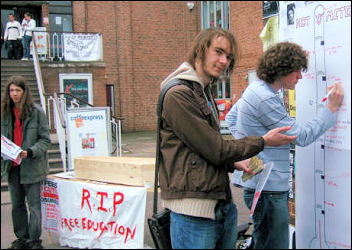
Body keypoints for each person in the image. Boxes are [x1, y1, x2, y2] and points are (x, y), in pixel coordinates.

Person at [158, 28, 297, 249]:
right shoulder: (179, 94)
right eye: (218, 52)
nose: (224, 61)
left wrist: (234, 163)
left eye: (229, 56)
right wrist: (263, 141)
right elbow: (216, 149)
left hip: (219, 206)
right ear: (199, 50)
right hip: (193, 213)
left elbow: (199, 149)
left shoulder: (202, 91)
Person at [225, 42, 344, 249]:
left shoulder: (256, 89)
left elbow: (232, 119)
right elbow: (302, 136)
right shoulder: (265, 98)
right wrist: (330, 109)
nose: (300, 76)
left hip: (259, 183)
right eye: (296, 71)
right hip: (268, 188)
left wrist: (253, 148)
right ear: (282, 69)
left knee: (264, 242)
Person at [1, 75, 51, 249]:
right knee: (17, 205)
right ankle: (21, 238)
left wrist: (29, 152)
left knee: (34, 206)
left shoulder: (36, 112)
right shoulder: (5, 112)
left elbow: (45, 140)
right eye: (11, 90)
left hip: (32, 166)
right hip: (12, 166)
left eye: (18, 90)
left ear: (24, 92)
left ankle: (34, 240)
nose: (14, 94)